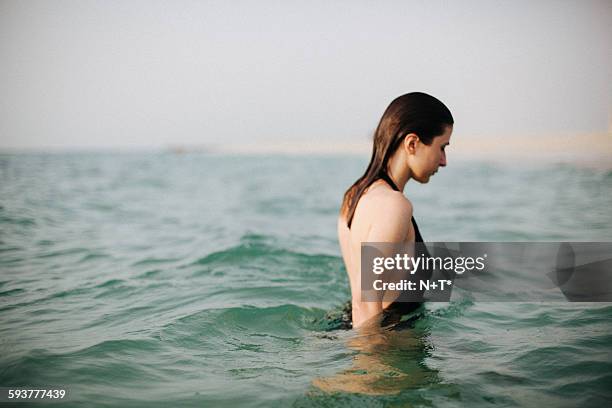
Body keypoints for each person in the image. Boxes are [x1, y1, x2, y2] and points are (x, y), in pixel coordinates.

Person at [338, 92, 454, 329]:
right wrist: (372, 365)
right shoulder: (394, 205)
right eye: (442, 147)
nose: (444, 161)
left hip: (347, 325)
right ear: (412, 144)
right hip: (384, 343)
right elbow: (365, 302)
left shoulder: (354, 195)